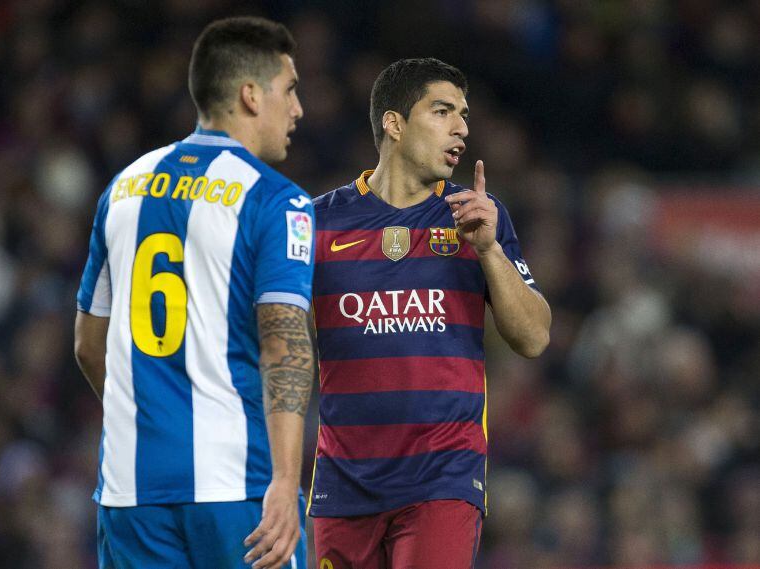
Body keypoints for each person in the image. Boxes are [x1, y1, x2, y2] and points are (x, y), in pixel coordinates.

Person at [74, 17, 315, 569]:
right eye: (291, 89)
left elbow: (90, 344)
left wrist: (149, 421)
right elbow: (283, 347)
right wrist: (284, 480)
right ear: (251, 95)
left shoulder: (123, 188)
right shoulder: (277, 201)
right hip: (239, 487)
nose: (298, 109)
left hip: (130, 491)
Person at [309, 58, 551, 568]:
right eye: (443, 111)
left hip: (443, 476)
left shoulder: (479, 216)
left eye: (464, 115)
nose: (462, 128)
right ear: (394, 124)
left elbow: (534, 338)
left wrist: (490, 251)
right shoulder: (316, 224)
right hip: (342, 480)